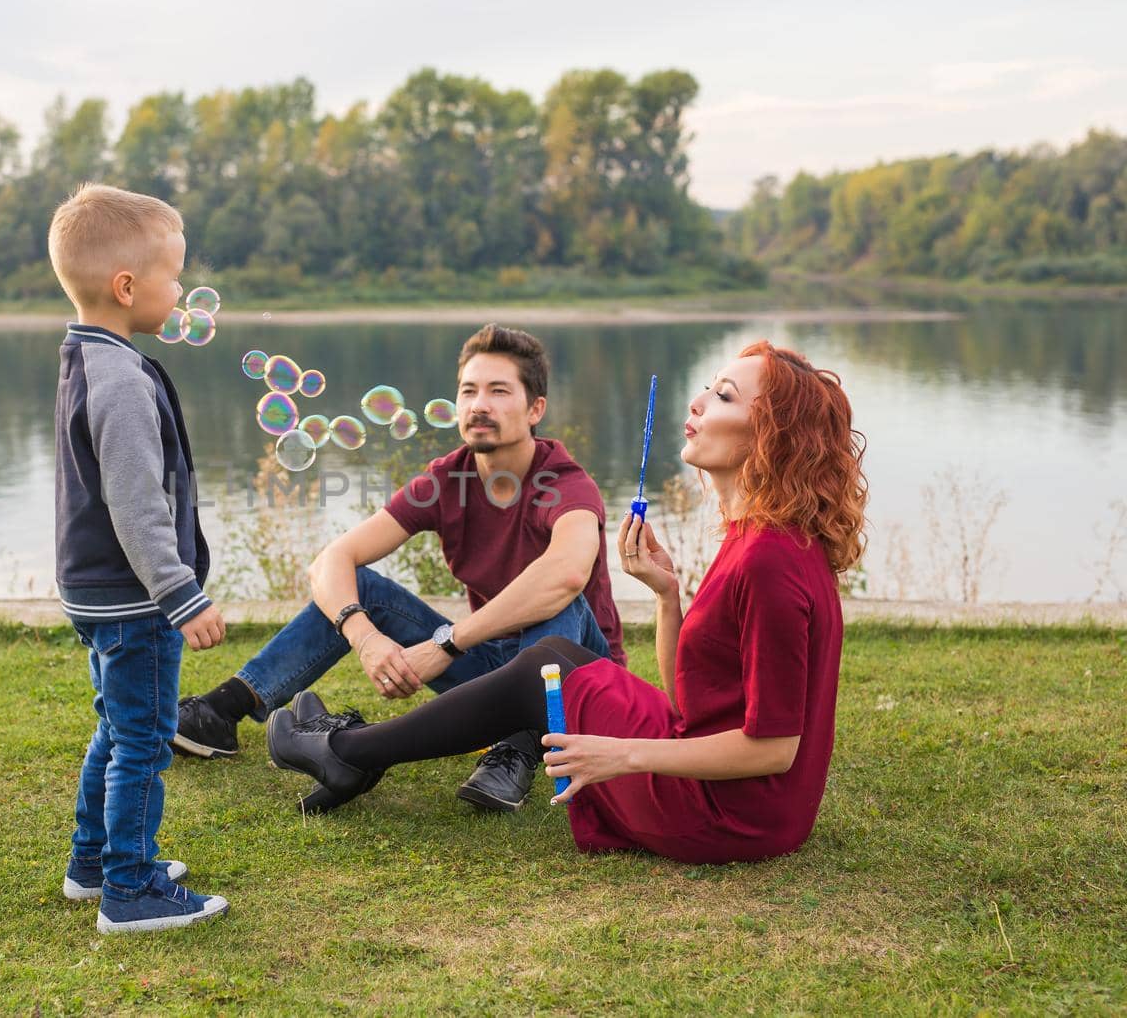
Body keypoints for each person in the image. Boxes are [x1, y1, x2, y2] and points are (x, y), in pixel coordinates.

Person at [266, 341, 868, 864]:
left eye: (726, 397)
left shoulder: (768, 559)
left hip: (732, 817)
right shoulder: (758, 537)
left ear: (771, 437)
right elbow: (694, 703)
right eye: (708, 388)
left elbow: (772, 747)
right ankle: (344, 749)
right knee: (553, 658)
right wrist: (667, 597)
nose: (698, 403)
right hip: (739, 800)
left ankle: (349, 751)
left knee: (546, 664)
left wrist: (621, 755)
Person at [176, 324, 625, 813]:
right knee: (360, 589)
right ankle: (223, 710)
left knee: (551, 596)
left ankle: (515, 749)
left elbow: (564, 576)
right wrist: (365, 638)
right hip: (490, 665)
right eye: (469, 391)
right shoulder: (445, 480)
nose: (480, 405)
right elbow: (333, 560)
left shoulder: (567, 484)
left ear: (535, 408)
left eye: (499, 391)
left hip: (581, 678)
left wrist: (447, 642)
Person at [49, 184, 229, 932]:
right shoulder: (120, 377)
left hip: (96, 590)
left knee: (117, 727)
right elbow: (135, 503)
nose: (182, 288)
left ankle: (93, 862)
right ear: (127, 287)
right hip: (134, 599)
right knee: (146, 740)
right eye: (174, 274)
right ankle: (131, 887)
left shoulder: (88, 356)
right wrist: (179, 594)